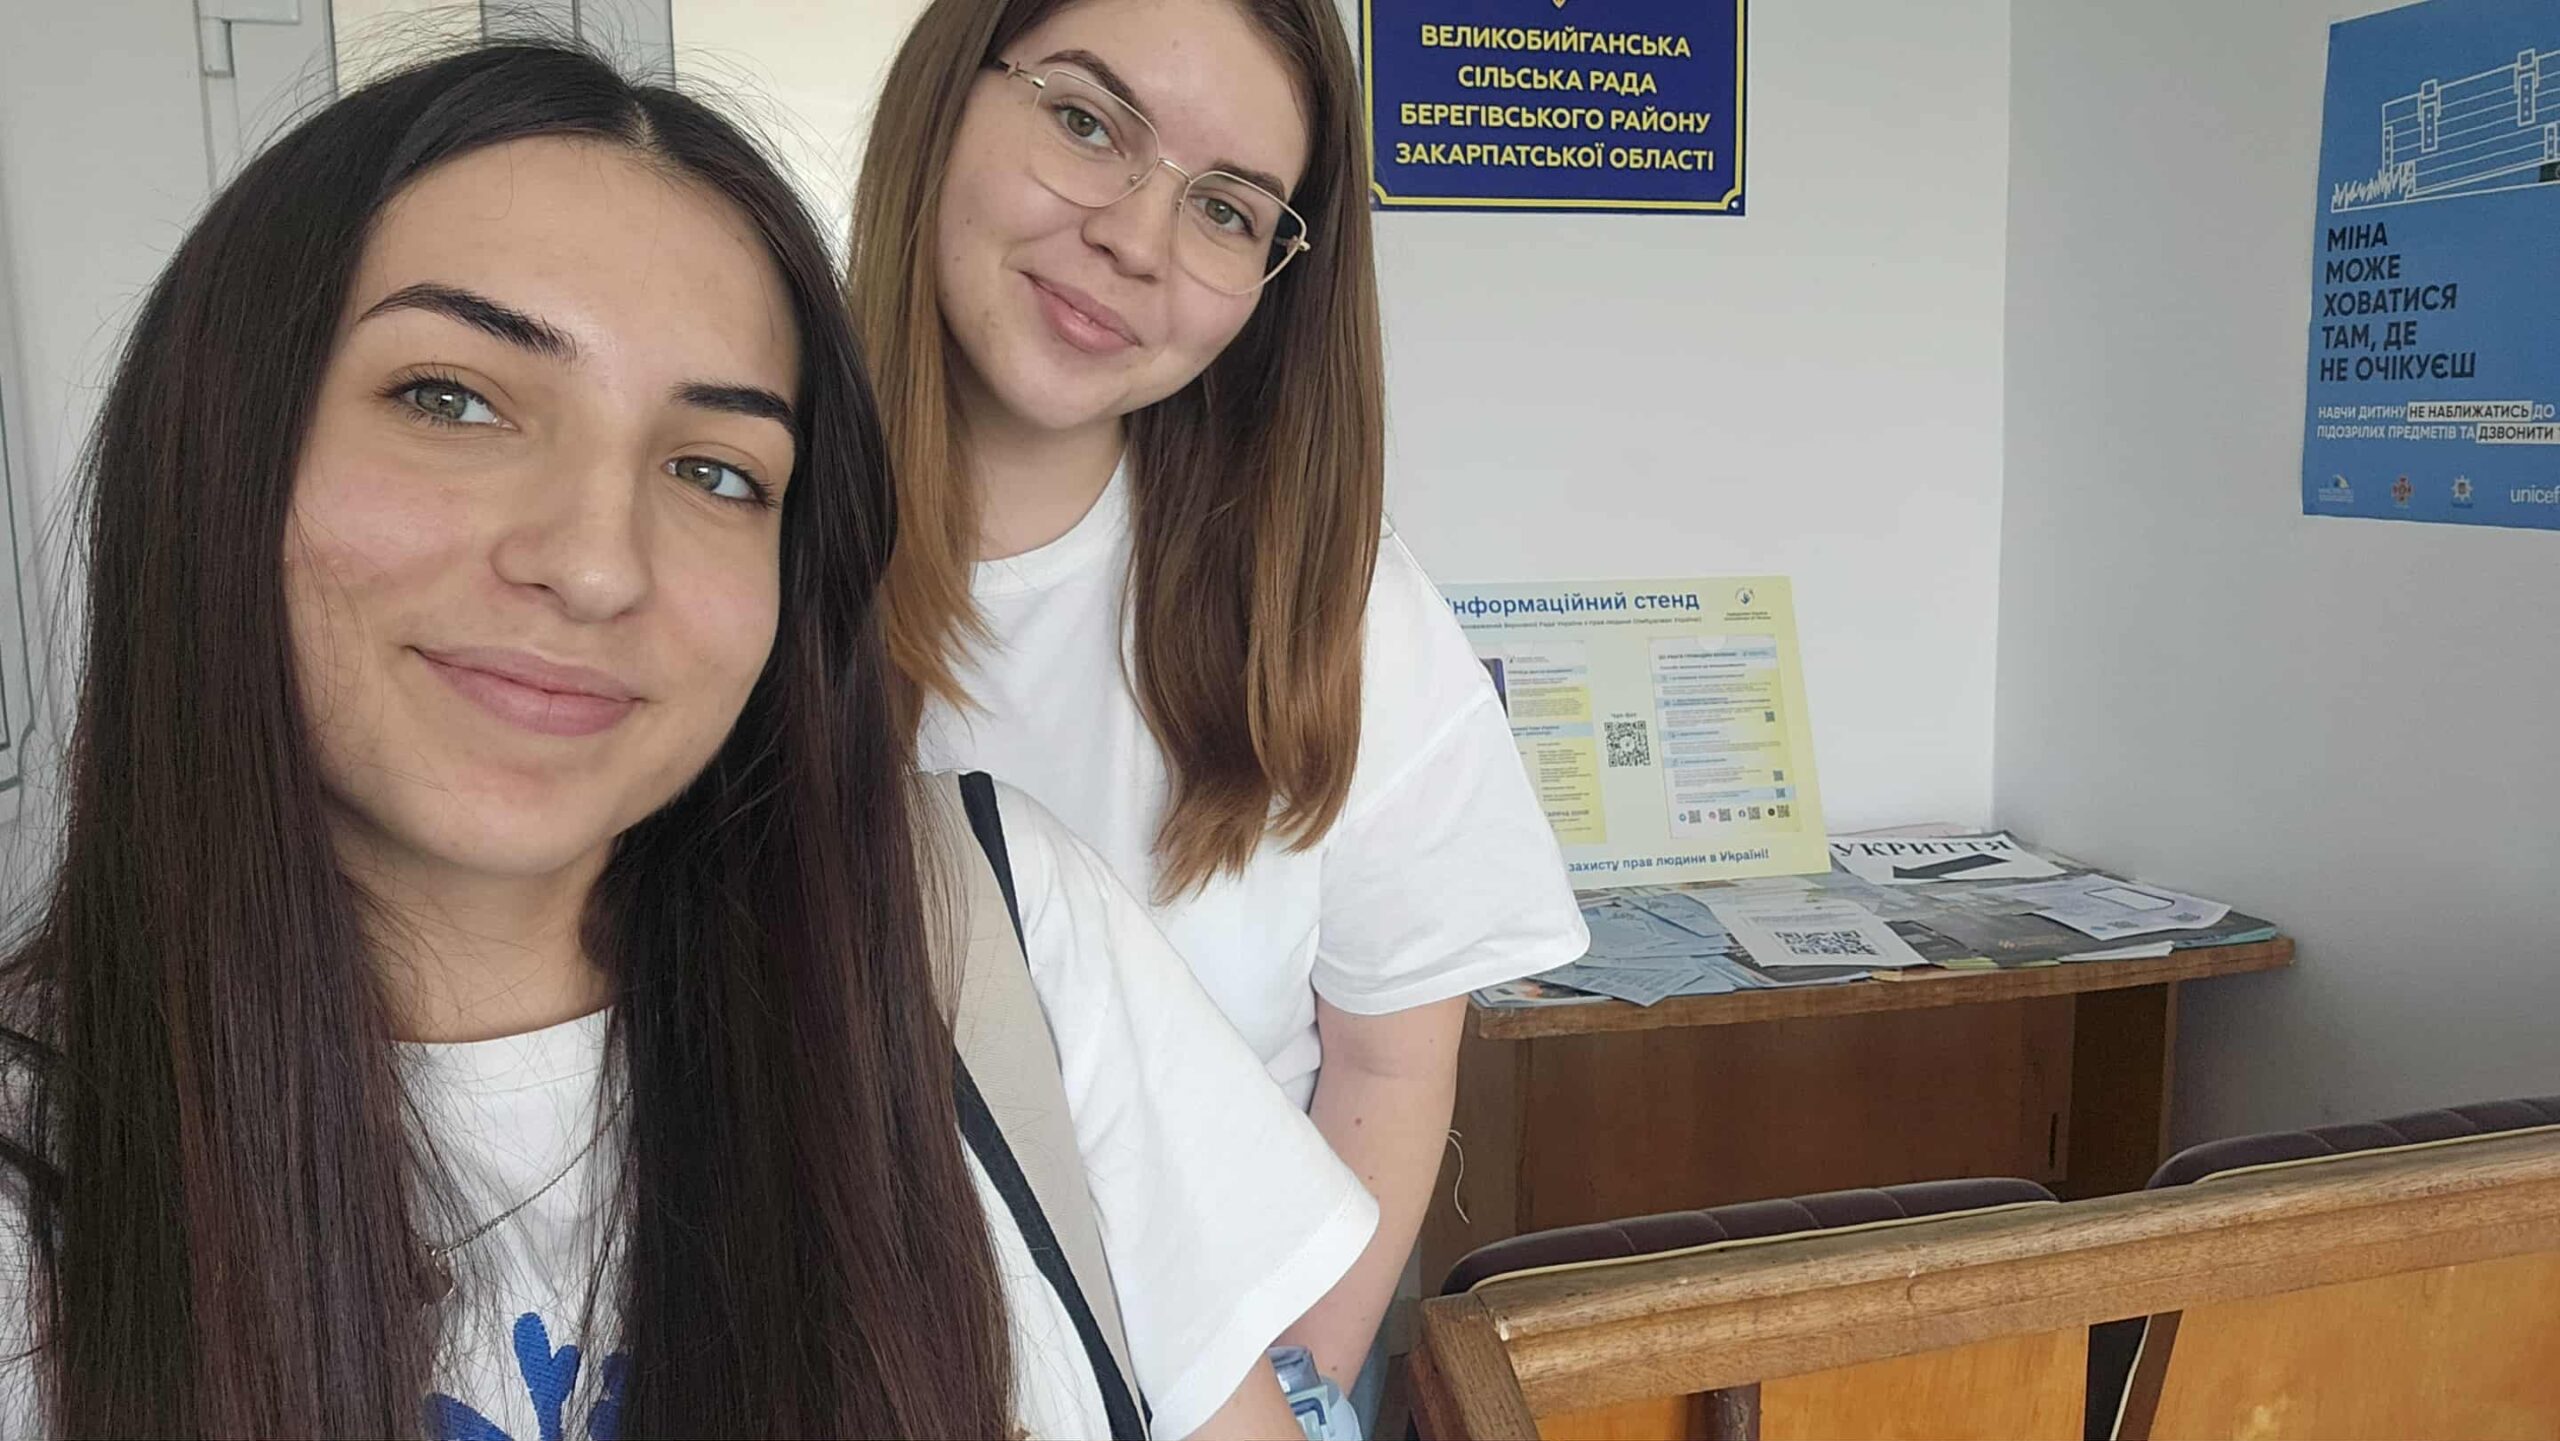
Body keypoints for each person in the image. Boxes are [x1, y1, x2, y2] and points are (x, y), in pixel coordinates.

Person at [0, 43, 1371, 1441]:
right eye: (451, 399)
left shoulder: (992, 942)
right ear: (223, 437)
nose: (596, 564)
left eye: (715, 471)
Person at [849, 0, 1589, 1398]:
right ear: (947, 96)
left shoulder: (1323, 600)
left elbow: (1386, 1064)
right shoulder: (725, 532)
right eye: (1086, 122)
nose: (1137, 239)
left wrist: (1292, 1396)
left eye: (1228, 210)